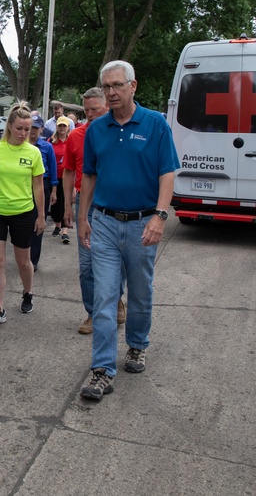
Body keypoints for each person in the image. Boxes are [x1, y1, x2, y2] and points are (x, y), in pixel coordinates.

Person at [77, 61, 179, 401]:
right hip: (104, 222)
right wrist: (82, 217)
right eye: (106, 86)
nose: (111, 92)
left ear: (133, 86)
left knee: (139, 291)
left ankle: (137, 344)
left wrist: (160, 216)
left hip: (142, 223)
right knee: (104, 296)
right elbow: (89, 175)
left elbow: (167, 172)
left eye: (117, 85)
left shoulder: (155, 124)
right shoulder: (96, 129)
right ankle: (102, 370)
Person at [62, 87, 125, 335]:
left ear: (106, 107)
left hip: (113, 207)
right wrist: (67, 204)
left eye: (94, 110)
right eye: (86, 110)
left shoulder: (117, 133)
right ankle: (93, 313)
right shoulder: (76, 136)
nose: (89, 114)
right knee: (87, 265)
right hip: (86, 208)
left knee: (115, 262)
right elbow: (68, 170)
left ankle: (116, 299)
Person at [0, 101, 46, 324]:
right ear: (10, 126)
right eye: (20, 128)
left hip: (24, 212)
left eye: (28, 129)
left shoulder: (33, 153)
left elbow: (38, 186)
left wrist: (41, 215)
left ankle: (28, 291)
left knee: (23, 262)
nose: (25, 133)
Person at [28, 114, 57, 273]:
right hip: (25, 184)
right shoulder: (22, 145)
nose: (32, 131)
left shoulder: (46, 147)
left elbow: (53, 170)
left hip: (43, 184)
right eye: (31, 127)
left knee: (39, 222)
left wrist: (53, 191)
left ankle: (33, 260)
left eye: (35, 128)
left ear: (41, 129)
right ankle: (24, 257)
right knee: (25, 223)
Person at [48, 116, 72, 244]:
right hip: (54, 176)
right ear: (56, 127)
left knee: (65, 202)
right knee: (55, 203)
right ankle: (57, 225)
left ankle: (65, 230)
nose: (62, 128)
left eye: (64, 126)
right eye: (60, 126)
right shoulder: (51, 141)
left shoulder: (71, 140)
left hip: (67, 176)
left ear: (68, 127)